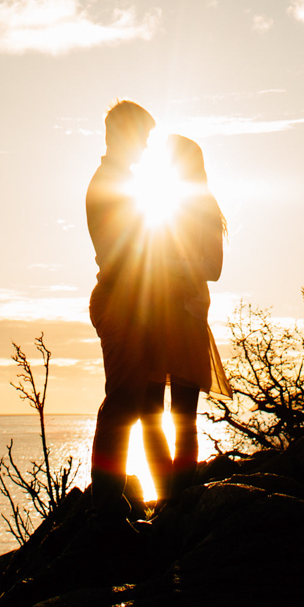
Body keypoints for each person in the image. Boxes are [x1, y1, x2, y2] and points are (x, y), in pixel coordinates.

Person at [85, 98, 171, 506]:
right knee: (123, 401)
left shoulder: (123, 182)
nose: (146, 146)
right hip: (122, 302)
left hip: (136, 301)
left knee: (144, 402)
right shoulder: (109, 183)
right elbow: (126, 251)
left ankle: (158, 499)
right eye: (144, 137)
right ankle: (105, 507)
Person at [153, 134, 227, 485]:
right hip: (152, 316)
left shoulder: (206, 209)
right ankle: (167, 493)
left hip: (187, 316)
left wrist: (173, 267)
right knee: (149, 412)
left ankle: (179, 497)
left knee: (183, 415)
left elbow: (213, 268)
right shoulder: (154, 204)